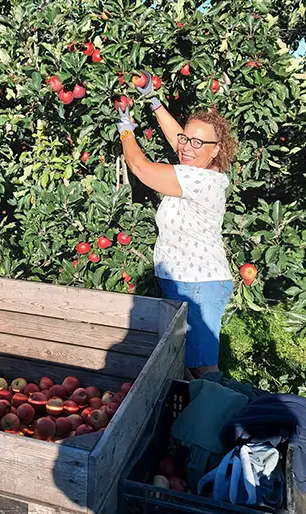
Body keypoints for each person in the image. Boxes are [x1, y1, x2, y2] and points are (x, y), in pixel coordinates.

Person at [117, 72, 239, 379]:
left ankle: (225, 420)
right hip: (186, 281)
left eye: (199, 142)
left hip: (198, 286)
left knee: (202, 370)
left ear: (216, 150)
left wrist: (126, 131)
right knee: (185, 365)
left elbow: (140, 168)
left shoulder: (200, 179)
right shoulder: (198, 163)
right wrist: (153, 99)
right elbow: (182, 143)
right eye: (186, 137)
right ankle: (194, 422)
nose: (186, 146)